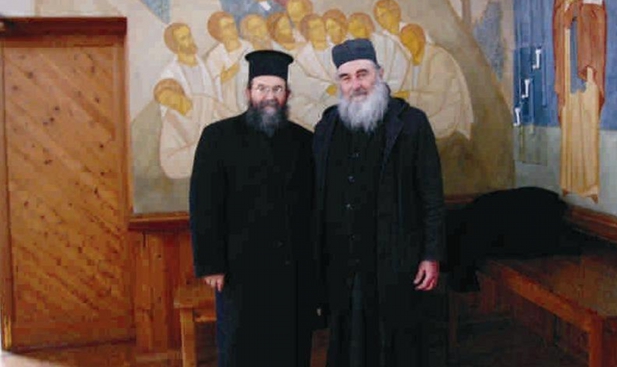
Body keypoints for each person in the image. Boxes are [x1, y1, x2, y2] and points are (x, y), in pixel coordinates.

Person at [313, 38, 445, 367]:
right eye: (346, 78)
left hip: (394, 257)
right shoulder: (327, 126)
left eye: (363, 74)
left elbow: (431, 193)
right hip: (342, 260)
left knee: (395, 343)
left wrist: (431, 255)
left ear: (380, 74)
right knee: (348, 341)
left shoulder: (411, 123)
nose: (355, 84)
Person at [189, 50, 315, 366]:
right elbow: (204, 203)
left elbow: (314, 208)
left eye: (277, 89)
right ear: (248, 93)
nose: (269, 96)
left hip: (291, 270)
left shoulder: (305, 141)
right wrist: (211, 264)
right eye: (262, 88)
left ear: (287, 95)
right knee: (241, 349)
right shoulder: (218, 137)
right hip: (239, 270)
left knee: (290, 349)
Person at [553, 0, 607, 203]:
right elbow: (557, 16)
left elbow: (599, 12)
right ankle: (569, 181)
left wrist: (580, 5)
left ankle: (591, 185)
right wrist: (570, 0)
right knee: (571, 115)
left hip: (586, 52)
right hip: (568, 48)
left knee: (587, 114)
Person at [155, 22, 227, 179]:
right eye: (183, 38)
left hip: (211, 117)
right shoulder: (170, 74)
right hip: (189, 130)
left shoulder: (202, 64)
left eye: (189, 35)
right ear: (175, 45)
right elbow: (171, 110)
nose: (190, 40)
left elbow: (214, 95)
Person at [205, 11, 253, 115]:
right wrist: (229, 73)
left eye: (233, 25)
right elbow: (212, 85)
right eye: (227, 27)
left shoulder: (249, 47)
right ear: (218, 33)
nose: (233, 29)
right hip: (229, 106)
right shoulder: (214, 56)